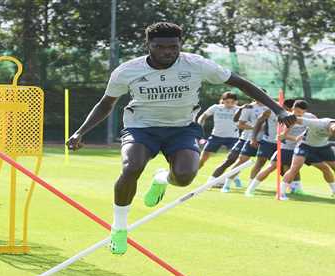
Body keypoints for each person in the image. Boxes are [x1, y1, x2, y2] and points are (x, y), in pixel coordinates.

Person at [66, 22, 295, 255]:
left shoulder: (197, 65)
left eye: (173, 47)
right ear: (148, 46)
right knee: (132, 166)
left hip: (182, 129)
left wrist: (278, 110)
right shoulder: (127, 71)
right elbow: (106, 104)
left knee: (184, 177)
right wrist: (80, 132)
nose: (168, 52)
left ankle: (161, 178)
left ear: (180, 45)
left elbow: (241, 83)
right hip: (141, 127)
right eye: (160, 46)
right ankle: (119, 228)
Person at [245, 100, 315, 196]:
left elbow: (316, 126)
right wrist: (295, 138)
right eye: (297, 112)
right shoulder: (286, 118)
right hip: (285, 148)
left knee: (295, 168)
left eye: (302, 112)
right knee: (272, 167)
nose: (299, 114)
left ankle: (297, 189)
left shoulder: (310, 117)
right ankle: (250, 189)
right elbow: (280, 136)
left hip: (298, 148)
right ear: (292, 109)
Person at [221, 99, 272, 192]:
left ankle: (251, 187)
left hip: (266, 140)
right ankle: (226, 185)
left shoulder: (270, 108)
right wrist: (255, 128)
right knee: (242, 161)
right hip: (250, 138)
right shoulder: (249, 108)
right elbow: (240, 125)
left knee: (260, 163)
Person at [280, 117, 335, 200]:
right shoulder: (317, 123)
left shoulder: (332, 127)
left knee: (326, 168)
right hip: (305, 146)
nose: (331, 135)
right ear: (332, 128)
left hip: (323, 147)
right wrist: (284, 134)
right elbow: (293, 119)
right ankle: (280, 193)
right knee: (295, 168)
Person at [197, 91, 240, 169]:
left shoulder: (239, 110)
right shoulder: (216, 107)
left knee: (233, 159)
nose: (230, 104)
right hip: (216, 136)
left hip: (233, 138)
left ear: (236, 102)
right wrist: (199, 125)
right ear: (223, 101)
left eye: (232, 102)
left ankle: (230, 177)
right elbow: (203, 116)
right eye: (227, 102)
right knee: (203, 158)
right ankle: (192, 174)